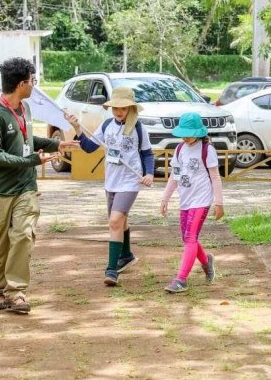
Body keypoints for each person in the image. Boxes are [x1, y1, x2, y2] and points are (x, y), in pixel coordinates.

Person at [0, 57, 79, 314]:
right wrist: (32, 160)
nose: (34, 86)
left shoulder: (25, 109)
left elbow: (27, 138)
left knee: (23, 236)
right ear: (22, 84)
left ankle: (17, 292)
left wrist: (56, 144)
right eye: (33, 81)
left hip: (26, 186)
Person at [66, 86, 154, 287]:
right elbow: (89, 148)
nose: (118, 112)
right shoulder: (107, 126)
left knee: (114, 221)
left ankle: (112, 269)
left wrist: (149, 173)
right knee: (120, 221)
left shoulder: (139, 129)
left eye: (123, 108)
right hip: (111, 181)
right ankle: (127, 255)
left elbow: (148, 154)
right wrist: (78, 128)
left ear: (131, 108)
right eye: (115, 108)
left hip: (130, 181)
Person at [160, 112, 221, 292]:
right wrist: (165, 198)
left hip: (201, 199)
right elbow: (174, 176)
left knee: (189, 238)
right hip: (185, 199)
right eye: (183, 133)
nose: (185, 136)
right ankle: (206, 262)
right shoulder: (180, 149)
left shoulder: (207, 149)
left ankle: (181, 280)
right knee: (187, 237)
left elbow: (216, 177)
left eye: (188, 133)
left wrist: (219, 203)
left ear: (199, 132)